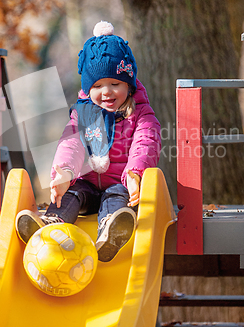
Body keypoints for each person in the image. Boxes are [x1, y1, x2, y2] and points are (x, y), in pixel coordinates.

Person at [16, 21, 161, 262]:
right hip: (87, 186)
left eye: (115, 84)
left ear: (129, 84)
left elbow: (146, 142)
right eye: (97, 86)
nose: (107, 92)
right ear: (87, 88)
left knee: (116, 196)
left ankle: (111, 232)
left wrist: (135, 174)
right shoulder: (82, 114)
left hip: (122, 185)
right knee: (73, 192)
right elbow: (71, 144)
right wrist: (64, 171)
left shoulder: (140, 115)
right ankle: (51, 226)